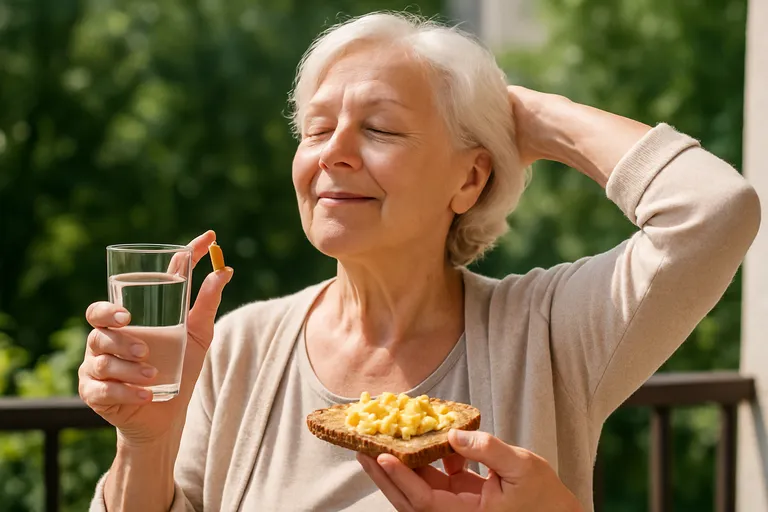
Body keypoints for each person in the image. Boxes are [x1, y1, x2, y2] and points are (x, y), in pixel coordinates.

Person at [81, 12, 760, 512]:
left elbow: (715, 209)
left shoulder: (548, 331)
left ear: (469, 181)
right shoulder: (238, 347)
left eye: (379, 128)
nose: (333, 153)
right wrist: (146, 444)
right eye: (317, 128)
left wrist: (535, 115)